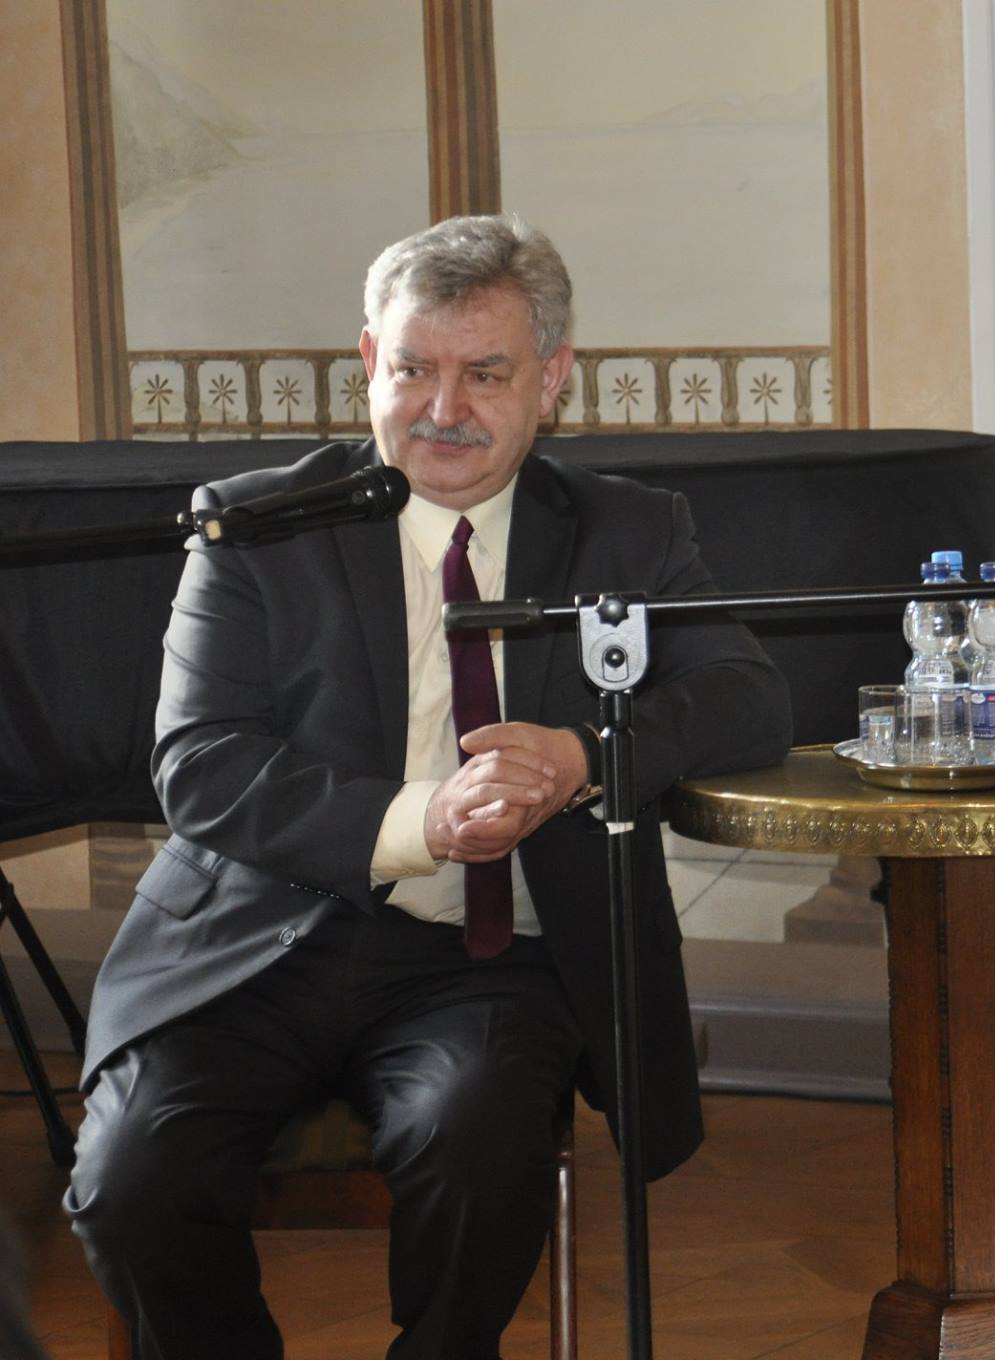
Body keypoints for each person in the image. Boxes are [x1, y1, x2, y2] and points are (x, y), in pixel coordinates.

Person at [65, 214, 792, 1359]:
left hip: (487, 963)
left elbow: (748, 697)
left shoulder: (626, 531)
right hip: (254, 943)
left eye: (484, 374)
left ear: (551, 377)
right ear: (368, 361)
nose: (441, 408)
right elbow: (199, 762)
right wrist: (420, 819)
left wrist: (583, 754)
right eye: (411, 369)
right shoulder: (257, 524)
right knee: (132, 1180)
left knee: (478, 1147)